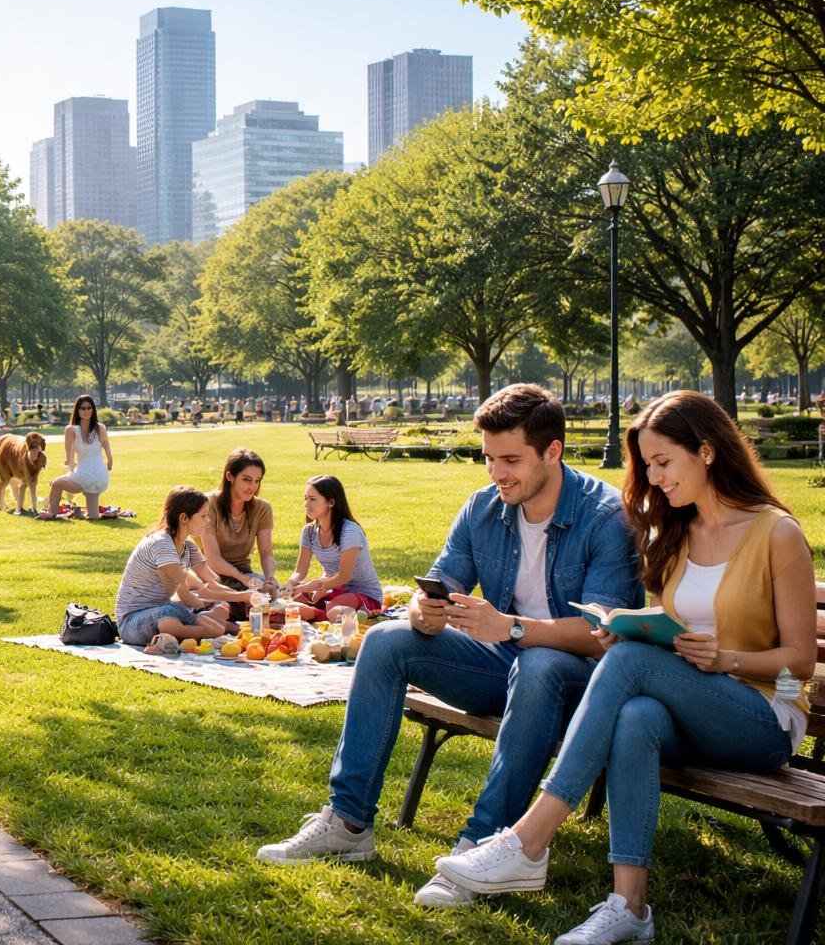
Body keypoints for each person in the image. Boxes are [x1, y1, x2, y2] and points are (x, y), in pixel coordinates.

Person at [434, 390, 816, 943]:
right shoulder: (675, 535)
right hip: (690, 709)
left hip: (766, 718)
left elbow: (800, 662)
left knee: (634, 667)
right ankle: (629, 907)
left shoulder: (775, 533)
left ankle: (529, 839)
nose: (655, 477)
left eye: (663, 462)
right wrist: (625, 625)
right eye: (648, 465)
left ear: (706, 452)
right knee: (635, 715)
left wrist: (727, 658)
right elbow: (664, 627)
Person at [256, 384, 641, 913]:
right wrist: (422, 611)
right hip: (505, 667)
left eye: (511, 460)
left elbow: (603, 633)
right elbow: (436, 584)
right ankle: (348, 823)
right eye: (488, 458)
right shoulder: (485, 507)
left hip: (577, 685)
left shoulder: (604, 516)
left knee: (542, 662)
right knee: (388, 640)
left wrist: (510, 628)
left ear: (553, 451)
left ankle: (482, 845)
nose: (496, 473)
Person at [115, 486, 254, 646]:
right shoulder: (161, 545)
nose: (207, 521)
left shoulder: (188, 546)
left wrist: (244, 595)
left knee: (212, 611)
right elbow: (186, 597)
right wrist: (202, 616)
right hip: (132, 622)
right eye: (203, 516)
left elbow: (211, 584)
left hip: (160, 609)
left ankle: (221, 629)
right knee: (172, 615)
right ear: (184, 518)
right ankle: (210, 632)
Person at [284, 474, 384, 620]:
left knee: (334, 610)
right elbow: (300, 571)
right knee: (287, 604)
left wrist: (309, 586)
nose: (306, 504)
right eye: (305, 498)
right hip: (330, 588)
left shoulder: (349, 531)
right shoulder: (309, 531)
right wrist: (289, 585)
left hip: (364, 593)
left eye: (312, 499)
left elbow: (344, 577)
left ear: (330, 502)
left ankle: (316, 614)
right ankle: (317, 613)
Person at [199, 449, 278, 610]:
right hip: (212, 576)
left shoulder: (262, 508)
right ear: (230, 476)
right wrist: (242, 579)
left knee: (270, 592)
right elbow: (213, 559)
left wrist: (270, 577)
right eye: (247, 480)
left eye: (257, 481)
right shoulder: (208, 504)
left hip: (244, 573)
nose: (252, 487)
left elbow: (266, 553)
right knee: (222, 605)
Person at [46, 394, 113, 519]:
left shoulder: (71, 430)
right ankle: (91, 515)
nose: (86, 411)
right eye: (83, 408)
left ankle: (52, 513)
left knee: (56, 483)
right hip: (101, 477)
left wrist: (69, 467)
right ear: (77, 410)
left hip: (85, 475)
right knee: (94, 516)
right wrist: (109, 464)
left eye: (89, 408)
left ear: (93, 409)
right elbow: (108, 453)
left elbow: (69, 457)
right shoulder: (101, 427)